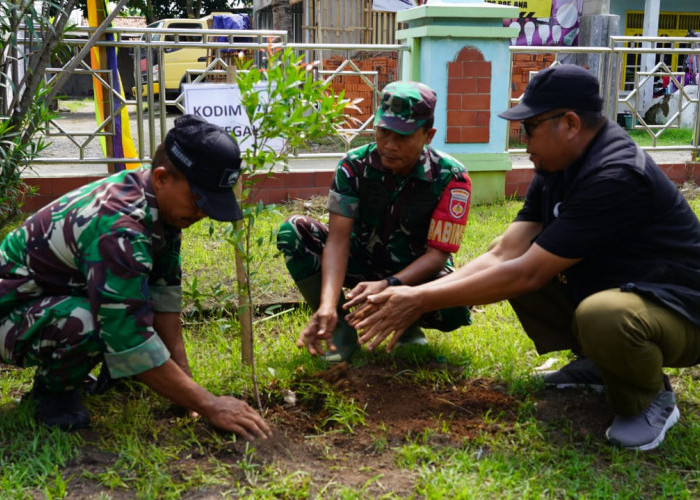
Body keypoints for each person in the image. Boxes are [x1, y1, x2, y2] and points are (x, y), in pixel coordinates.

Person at [347, 65, 700, 451]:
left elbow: (528, 273)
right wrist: (404, 289)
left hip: (680, 310)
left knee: (603, 314)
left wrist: (418, 300)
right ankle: (599, 364)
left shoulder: (615, 176)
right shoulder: (558, 165)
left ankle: (649, 398)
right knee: (514, 273)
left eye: (529, 127)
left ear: (569, 123)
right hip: (630, 287)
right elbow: (503, 251)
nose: (521, 137)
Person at [0, 115, 271, 440]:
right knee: (89, 322)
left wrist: (188, 388)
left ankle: (124, 375)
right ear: (161, 178)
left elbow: (164, 299)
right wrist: (211, 404)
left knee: (123, 309)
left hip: (44, 302)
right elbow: (126, 336)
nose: (202, 213)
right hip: (9, 313)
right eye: (199, 200)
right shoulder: (120, 227)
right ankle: (53, 395)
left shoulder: (160, 207)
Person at [277, 81, 472, 363]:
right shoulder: (353, 166)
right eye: (383, 132)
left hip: (413, 273)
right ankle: (340, 328)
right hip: (362, 262)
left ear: (428, 135)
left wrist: (391, 285)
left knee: (456, 299)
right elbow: (338, 239)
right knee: (293, 232)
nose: (389, 145)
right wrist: (329, 304)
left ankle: (406, 323)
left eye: (403, 136)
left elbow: (437, 256)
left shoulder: (452, 178)